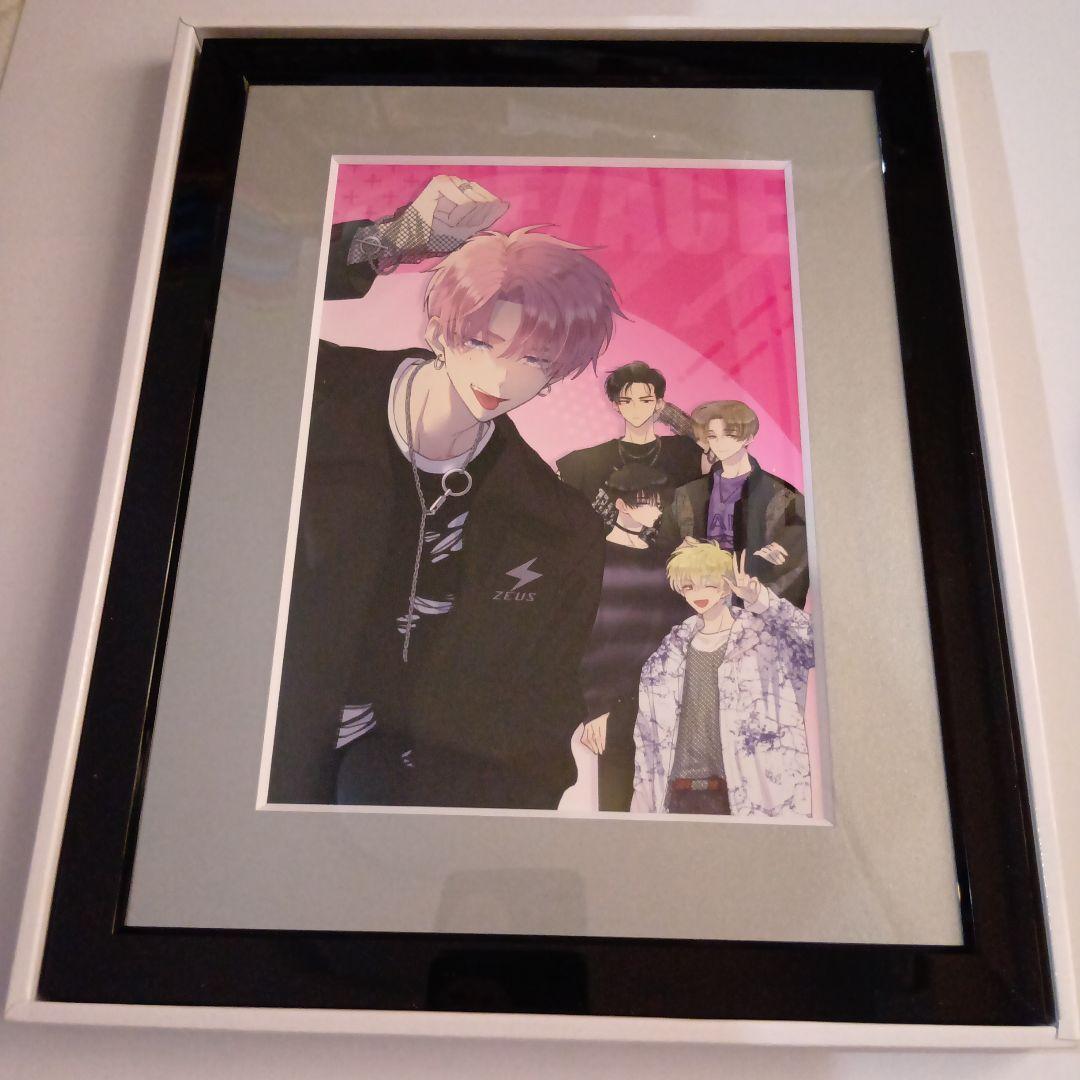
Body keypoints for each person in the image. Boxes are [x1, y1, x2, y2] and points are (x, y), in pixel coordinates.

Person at [268, 174, 616, 810]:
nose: (500, 374)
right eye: (482, 341)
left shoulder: (558, 525)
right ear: (440, 330)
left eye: (534, 360)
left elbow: (542, 710)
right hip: (253, 755)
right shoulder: (316, 392)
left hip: (415, 801)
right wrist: (391, 239)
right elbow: (221, 303)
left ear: (556, 376)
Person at [632, 540, 813, 818]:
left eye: (708, 584)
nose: (698, 593)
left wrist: (759, 599)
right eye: (689, 586)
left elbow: (814, 643)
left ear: (727, 586)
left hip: (751, 791)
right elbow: (648, 731)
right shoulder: (672, 649)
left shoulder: (760, 636)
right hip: (681, 790)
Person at [576, 464, 688, 811]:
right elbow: (586, 635)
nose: (656, 509)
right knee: (615, 792)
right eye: (646, 502)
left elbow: (678, 624)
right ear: (622, 505)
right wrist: (596, 706)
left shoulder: (666, 557)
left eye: (658, 502)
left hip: (662, 689)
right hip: (611, 694)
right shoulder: (592, 558)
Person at [661, 400, 809, 607]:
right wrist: (681, 553)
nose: (719, 442)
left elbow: (797, 560)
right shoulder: (688, 494)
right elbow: (664, 545)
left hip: (754, 603)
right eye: (712, 436)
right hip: (699, 601)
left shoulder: (783, 496)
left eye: (729, 434)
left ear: (748, 437)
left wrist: (757, 598)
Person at [556, 361, 702, 514]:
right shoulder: (587, 460)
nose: (636, 408)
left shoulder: (683, 450)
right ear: (616, 405)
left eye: (645, 400)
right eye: (627, 401)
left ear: (659, 403)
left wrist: (668, 413)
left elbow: (710, 443)